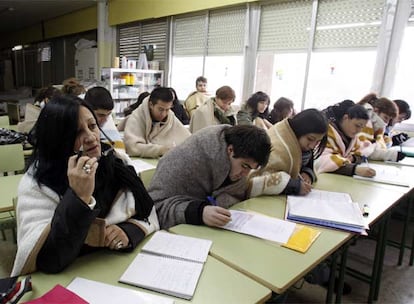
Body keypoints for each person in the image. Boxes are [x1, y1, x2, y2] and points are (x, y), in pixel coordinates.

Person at [12, 95, 159, 276]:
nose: (90, 137)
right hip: (68, 277)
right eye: (76, 133)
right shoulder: (38, 184)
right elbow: (49, 260)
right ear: (57, 140)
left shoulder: (118, 164)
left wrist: (129, 231)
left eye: (92, 126)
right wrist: (79, 197)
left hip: (115, 268)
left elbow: (148, 211)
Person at [148, 125, 271, 229]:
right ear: (230, 150)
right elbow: (155, 209)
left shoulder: (239, 155)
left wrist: (216, 206)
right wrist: (199, 212)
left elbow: (233, 194)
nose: (245, 174)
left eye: (251, 169)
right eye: (245, 166)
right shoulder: (186, 160)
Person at [248, 109, 328, 197]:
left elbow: (306, 164)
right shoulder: (280, 147)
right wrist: (293, 186)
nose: (312, 146)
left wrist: (307, 173)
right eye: (310, 139)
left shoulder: (299, 141)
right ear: (300, 130)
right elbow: (252, 182)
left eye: (318, 141)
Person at [314, 100, 376, 177]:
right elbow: (320, 160)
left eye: (362, 128)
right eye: (357, 126)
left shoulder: (350, 136)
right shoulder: (326, 132)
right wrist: (354, 169)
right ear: (346, 118)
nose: (359, 131)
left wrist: (354, 158)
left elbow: (362, 150)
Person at [123, 87, 191, 158]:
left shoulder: (170, 116)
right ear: (151, 105)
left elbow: (188, 139)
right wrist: (160, 150)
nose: (164, 114)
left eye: (167, 109)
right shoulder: (137, 117)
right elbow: (132, 147)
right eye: (160, 109)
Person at [357, 93, 404, 162]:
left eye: (388, 120)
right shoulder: (365, 122)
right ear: (376, 111)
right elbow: (364, 151)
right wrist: (391, 155)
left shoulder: (374, 124)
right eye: (385, 117)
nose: (386, 122)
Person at [84, 86, 125, 150]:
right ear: (87, 110)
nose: (105, 120)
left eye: (108, 114)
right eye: (101, 115)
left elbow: (119, 148)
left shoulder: (107, 122)